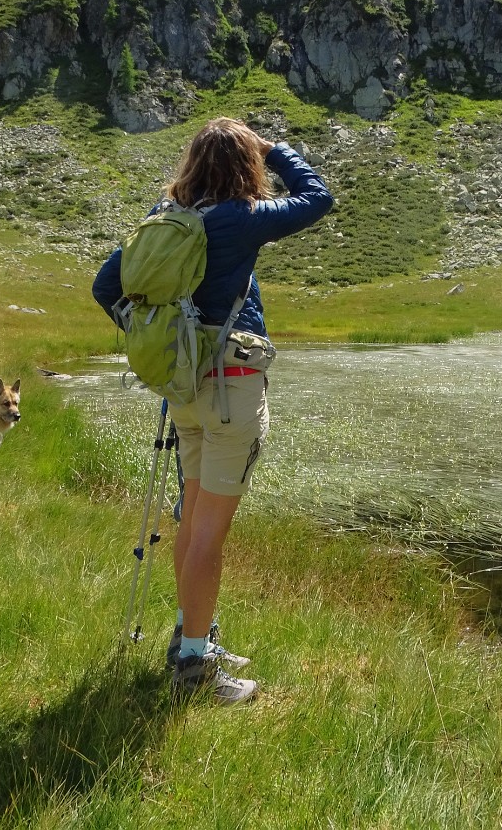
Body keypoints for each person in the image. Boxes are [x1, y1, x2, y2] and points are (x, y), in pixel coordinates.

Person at [93, 117, 332, 704]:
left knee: (194, 516)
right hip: (232, 388)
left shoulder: (167, 218)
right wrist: (274, 148)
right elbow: (318, 197)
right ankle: (196, 671)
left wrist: (162, 334)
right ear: (244, 165)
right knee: (209, 535)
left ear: (192, 162)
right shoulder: (241, 218)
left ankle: (191, 636)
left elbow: (106, 284)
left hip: (185, 393)